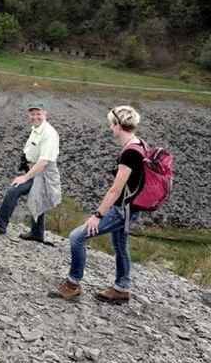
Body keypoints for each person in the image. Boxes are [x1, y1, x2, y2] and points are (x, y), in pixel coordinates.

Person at [49, 105, 145, 304]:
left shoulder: (129, 154)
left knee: (77, 237)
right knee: (120, 245)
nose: (110, 127)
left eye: (111, 123)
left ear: (118, 125)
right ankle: (121, 288)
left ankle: (72, 284)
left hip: (122, 209)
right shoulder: (140, 144)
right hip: (132, 207)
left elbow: (115, 190)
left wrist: (98, 215)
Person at [0, 101, 61, 242]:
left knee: (14, 191)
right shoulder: (36, 129)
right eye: (32, 114)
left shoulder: (49, 133)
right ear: (28, 115)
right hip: (35, 169)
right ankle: (37, 233)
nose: (35, 116)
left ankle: (0, 226)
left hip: (43, 173)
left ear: (45, 114)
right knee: (38, 198)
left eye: (38, 113)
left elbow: (43, 162)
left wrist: (25, 177)